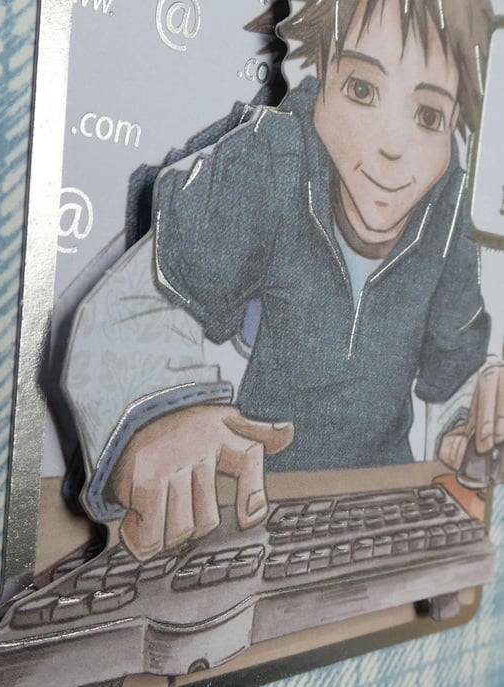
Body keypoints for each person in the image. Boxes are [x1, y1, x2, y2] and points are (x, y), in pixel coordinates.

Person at [63, 0, 502, 560]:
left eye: (429, 117)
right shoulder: (269, 159)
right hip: (253, 498)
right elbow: (130, 306)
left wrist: (474, 420)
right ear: (319, 76)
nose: (393, 147)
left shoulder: (450, 210)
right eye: (362, 90)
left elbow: (454, 370)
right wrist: (158, 417)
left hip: (382, 503)